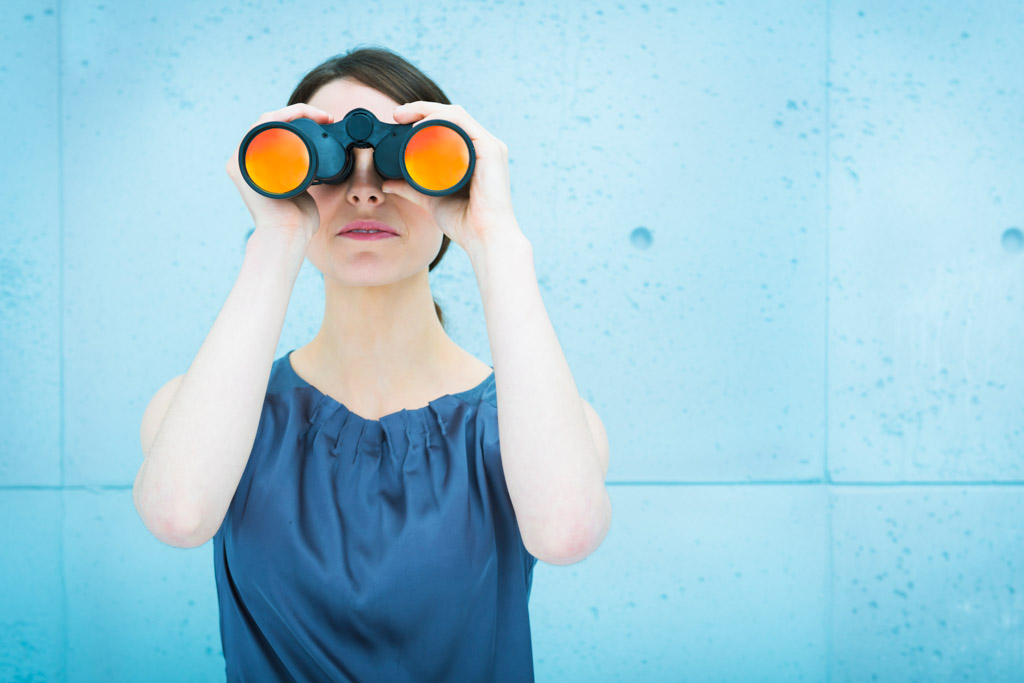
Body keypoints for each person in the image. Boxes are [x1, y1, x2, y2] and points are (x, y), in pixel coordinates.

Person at [134, 46, 611, 681]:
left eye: (404, 158)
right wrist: (277, 237)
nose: (365, 191)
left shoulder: (535, 426)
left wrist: (497, 240)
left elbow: (566, 535)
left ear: (459, 173)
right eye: (327, 162)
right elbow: (178, 516)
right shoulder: (206, 415)